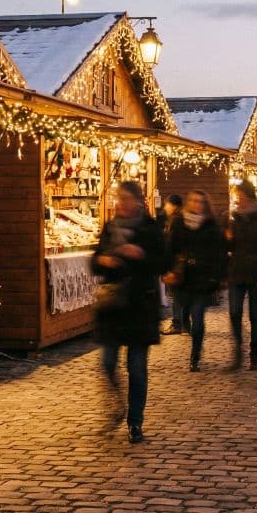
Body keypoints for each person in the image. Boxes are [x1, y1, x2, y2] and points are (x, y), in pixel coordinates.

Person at [93, 181, 167, 443]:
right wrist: (102, 260)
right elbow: (95, 260)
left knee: (136, 367)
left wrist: (141, 255)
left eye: (125, 199)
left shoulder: (149, 229)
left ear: (137, 201)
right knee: (107, 363)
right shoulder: (110, 228)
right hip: (113, 306)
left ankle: (135, 421)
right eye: (117, 199)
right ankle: (116, 405)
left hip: (139, 306)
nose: (120, 203)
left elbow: (163, 262)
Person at [167, 190, 227, 372]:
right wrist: (168, 268)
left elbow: (219, 254)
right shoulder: (179, 223)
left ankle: (195, 355)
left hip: (201, 279)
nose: (195, 204)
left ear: (205, 204)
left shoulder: (210, 226)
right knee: (186, 312)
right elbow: (170, 248)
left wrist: (217, 277)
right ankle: (186, 328)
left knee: (198, 317)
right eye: (192, 200)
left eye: (199, 201)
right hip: (183, 278)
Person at [225, 182, 257, 371]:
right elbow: (230, 246)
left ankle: (254, 354)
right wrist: (228, 239)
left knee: (255, 314)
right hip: (236, 271)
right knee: (234, 312)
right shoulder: (234, 218)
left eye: (240, 195)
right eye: (237, 196)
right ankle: (237, 350)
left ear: (249, 196)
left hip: (256, 272)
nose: (238, 199)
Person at [158, 194, 187, 335]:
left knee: (175, 294)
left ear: (174, 205)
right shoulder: (181, 218)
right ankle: (185, 323)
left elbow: (171, 243)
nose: (165, 207)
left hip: (175, 263)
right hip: (180, 262)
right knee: (180, 294)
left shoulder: (175, 220)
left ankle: (177, 324)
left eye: (167, 204)